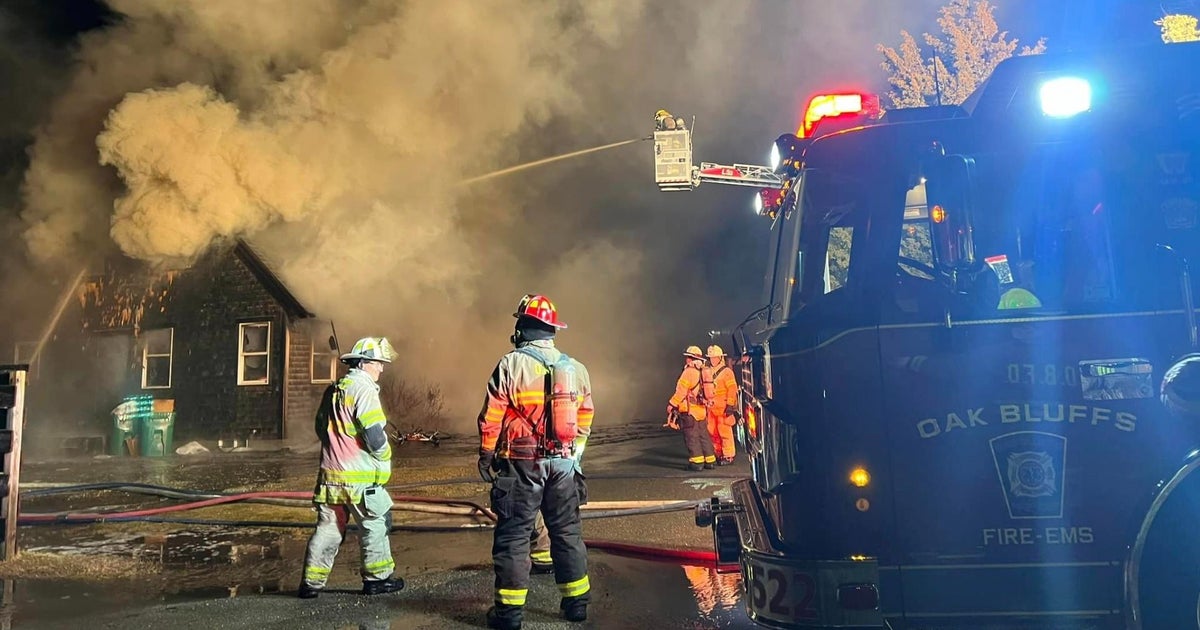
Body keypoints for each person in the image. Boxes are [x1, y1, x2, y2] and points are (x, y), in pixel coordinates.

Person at [478, 294, 595, 630]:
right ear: (552, 330)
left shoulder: (510, 364)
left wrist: (486, 454)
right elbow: (585, 418)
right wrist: (573, 457)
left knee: (514, 536)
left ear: (523, 328)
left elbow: (491, 417)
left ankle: (509, 615)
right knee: (567, 533)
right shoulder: (576, 368)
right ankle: (576, 605)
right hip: (564, 465)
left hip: (522, 464)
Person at [298, 337, 405, 599]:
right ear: (364, 363)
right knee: (375, 525)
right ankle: (377, 580)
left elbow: (321, 428)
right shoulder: (364, 389)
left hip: (331, 476)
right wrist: (384, 454)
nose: (381, 368)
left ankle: (311, 584)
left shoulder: (334, 390)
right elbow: (374, 435)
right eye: (378, 363)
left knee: (328, 529)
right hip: (360, 479)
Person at [668, 345, 716, 471]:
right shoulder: (704, 371)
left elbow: (681, 392)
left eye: (687, 357)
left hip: (690, 411)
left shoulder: (688, 372)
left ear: (690, 358)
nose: (686, 360)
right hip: (702, 410)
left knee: (692, 436)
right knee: (704, 435)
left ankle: (697, 463)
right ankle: (710, 460)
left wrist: (672, 404)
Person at [706, 345, 741, 465]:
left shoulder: (727, 372)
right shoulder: (707, 371)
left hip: (723, 408)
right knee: (712, 432)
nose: (713, 360)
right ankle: (718, 453)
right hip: (711, 408)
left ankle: (728, 455)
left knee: (724, 432)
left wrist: (730, 405)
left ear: (720, 358)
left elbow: (732, 389)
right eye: (711, 357)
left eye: (715, 357)